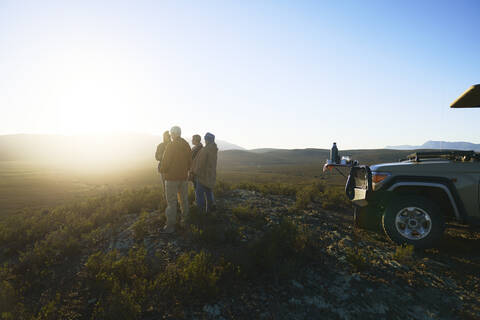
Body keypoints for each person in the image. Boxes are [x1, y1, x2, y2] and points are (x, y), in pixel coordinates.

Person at [159, 126, 192, 233]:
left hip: (171, 178)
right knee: (184, 200)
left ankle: (170, 226)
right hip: (183, 177)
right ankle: (185, 221)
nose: (171, 136)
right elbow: (190, 162)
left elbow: (165, 162)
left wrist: (162, 170)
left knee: (171, 202)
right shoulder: (186, 145)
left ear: (173, 134)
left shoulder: (171, 145)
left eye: (171, 134)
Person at [192, 132, 218, 213]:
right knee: (209, 192)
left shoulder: (205, 150)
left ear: (207, 140)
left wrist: (194, 172)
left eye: (205, 139)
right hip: (210, 175)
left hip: (202, 176)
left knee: (199, 194)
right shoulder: (214, 149)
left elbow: (200, 164)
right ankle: (211, 208)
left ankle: (201, 212)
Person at [155, 131, 171, 197]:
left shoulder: (173, 144)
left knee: (172, 186)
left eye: (169, 136)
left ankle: (174, 203)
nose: (169, 137)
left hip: (172, 168)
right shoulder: (160, 146)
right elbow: (156, 157)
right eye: (167, 136)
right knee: (165, 185)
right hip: (164, 168)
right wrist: (162, 157)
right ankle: (167, 202)